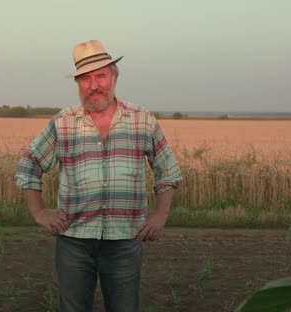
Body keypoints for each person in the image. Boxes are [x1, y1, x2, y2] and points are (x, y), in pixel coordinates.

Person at [15, 39, 182, 312]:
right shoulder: (63, 122)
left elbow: (168, 171)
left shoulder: (143, 120)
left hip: (126, 240)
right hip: (73, 241)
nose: (94, 85)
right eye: (85, 78)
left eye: (101, 75)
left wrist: (161, 214)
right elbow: (29, 164)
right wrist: (39, 212)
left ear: (114, 76)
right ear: (77, 84)